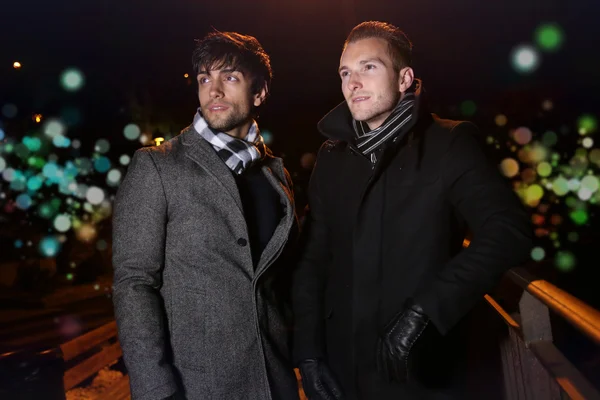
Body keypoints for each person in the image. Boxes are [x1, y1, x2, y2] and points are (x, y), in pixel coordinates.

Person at [292, 21, 532, 399]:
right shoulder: (332, 156)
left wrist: (426, 311)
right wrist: (307, 351)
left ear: (404, 78)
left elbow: (507, 230)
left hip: (419, 368)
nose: (352, 83)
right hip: (343, 367)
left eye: (368, 67)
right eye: (345, 73)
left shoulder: (449, 143)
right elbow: (313, 258)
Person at [112, 31, 300, 400]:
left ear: (259, 92)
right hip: (196, 387)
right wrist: (155, 390)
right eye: (204, 79)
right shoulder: (157, 166)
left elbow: (281, 282)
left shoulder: (276, 175)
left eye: (229, 77)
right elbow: (134, 283)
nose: (213, 90)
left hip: (275, 382)